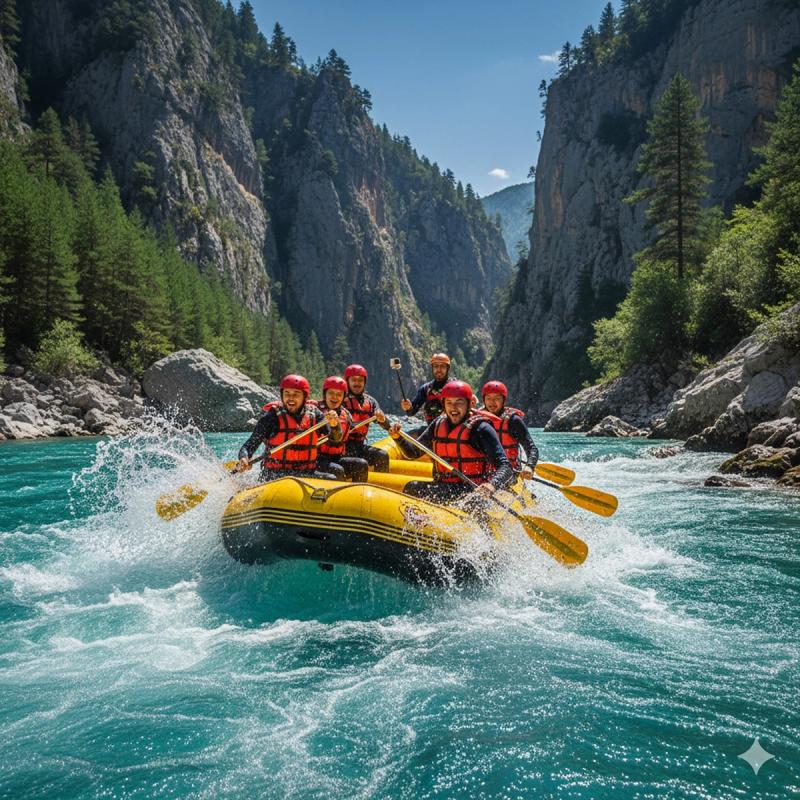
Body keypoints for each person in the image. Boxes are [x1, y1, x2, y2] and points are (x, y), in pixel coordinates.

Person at [389, 380, 514, 503]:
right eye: (449, 402)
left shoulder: (481, 429)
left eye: (459, 402)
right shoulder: (437, 425)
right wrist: (398, 438)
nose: (453, 408)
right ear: (443, 405)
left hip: (472, 490)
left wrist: (492, 485)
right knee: (412, 486)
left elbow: (506, 467)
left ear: (470, 404)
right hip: (443, 486)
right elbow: (412, 453)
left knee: (471, 501)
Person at [237, 373, 342, 480]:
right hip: (275, 474)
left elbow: (335, 439)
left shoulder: (316, 414)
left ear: (304, 397)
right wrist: (244, 458)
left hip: (306, 472)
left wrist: (335, 425)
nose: (291, 398)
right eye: (287, 393)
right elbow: (249, 445)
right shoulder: (272, 417)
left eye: (296, 394)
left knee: (332, 478)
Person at [314, 375, 369, 483]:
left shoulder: (346, 415)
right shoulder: (314, 410)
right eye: (331, 393)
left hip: (336, 457)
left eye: (339, 394)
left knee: (361, 464)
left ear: (344, 397)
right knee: (337, 470)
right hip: (315, 459)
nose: (335, 397)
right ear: (325, 394)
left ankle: (358, 496)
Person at [479, 380, 539, 478]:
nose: (492, 402)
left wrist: (530, 466)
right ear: (484, 400)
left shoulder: (513, 420)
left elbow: (531, 448)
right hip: (483, 475)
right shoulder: (476, 419)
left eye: (497, 398)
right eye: (488, 398)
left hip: (509, 474)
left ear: (503, 400)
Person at [342, 364, 392, 472]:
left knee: (382, 455)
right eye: (353, 380)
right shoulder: (340, 400)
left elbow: (387, 426)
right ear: (347, 382)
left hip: (359, 446)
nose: (357, 383)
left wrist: (382, 420)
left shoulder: (371, 402)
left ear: (364, 382)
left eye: (360, 380)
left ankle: (381, 485)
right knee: (360, 464)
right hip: (343, 448)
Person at [400, 352, 454, 426]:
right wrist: (408, 407)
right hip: (430, 430)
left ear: (447, 369)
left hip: (451, 429)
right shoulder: (425, 389)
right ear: (432, 368)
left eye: (442, 366)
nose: (439, 369)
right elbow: (412, 412)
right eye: (436, 366)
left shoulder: (455, 387)